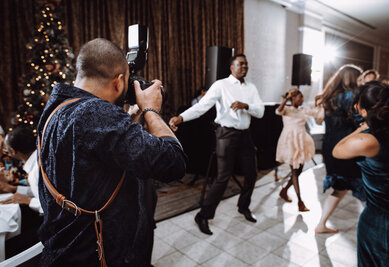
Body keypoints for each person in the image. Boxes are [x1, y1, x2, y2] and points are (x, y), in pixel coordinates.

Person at [36, 38, 186, 266]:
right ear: (119, 82)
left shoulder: (58, 105)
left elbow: (97, 148)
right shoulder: (96, 112)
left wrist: (130, 118)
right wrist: (150, 110)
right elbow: (173, 162)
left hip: (61, 249)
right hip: (94, 255)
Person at [169, 54, 264, 235]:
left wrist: (246, 105)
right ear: (231, 67)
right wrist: (181, 118)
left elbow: (260, 112)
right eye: (241, 64)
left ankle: (243, 206)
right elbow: (201, 107)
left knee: (252, 173)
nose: (245, 67)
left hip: (245, 135)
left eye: (246, 64)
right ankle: (203, 215)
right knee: (223, 177)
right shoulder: (221, 85)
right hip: (226, 134)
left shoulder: (251, 88)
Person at [332, 81, 389, 266]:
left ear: (364, 110)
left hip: (381, 224)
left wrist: (360, 129)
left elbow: (338, 150)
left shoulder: (369, 141)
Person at [314, 64, 365, 234]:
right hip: (349, 147)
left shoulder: (330, 97)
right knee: (368, 187)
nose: (362, 82)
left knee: (340, 188)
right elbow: (360, 122)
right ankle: (373, 230)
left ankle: (321, 224)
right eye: (360, 78)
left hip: (331, 147)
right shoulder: (350, 96)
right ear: (352, 78)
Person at [276, 89, 323, 212]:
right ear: (293, 98)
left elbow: (317, 115)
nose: (302, 100)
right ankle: (300, 202)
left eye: (302, 98)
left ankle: (284, 190)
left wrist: (318, 102)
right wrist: (287, 98)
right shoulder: (287, 109)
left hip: (302, 141)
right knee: (295, 172)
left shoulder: (303, 110)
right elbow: (278, 110)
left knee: (298, 171)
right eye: (300, 97)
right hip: (290, 142)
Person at [0, 126, 43, 258]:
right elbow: (40, 192)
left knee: (10, 248)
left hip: (51, 225)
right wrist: (15, 190)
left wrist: (29, 201)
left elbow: (49, 207)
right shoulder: (38, 159)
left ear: (12, 151)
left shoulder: (36, 171)